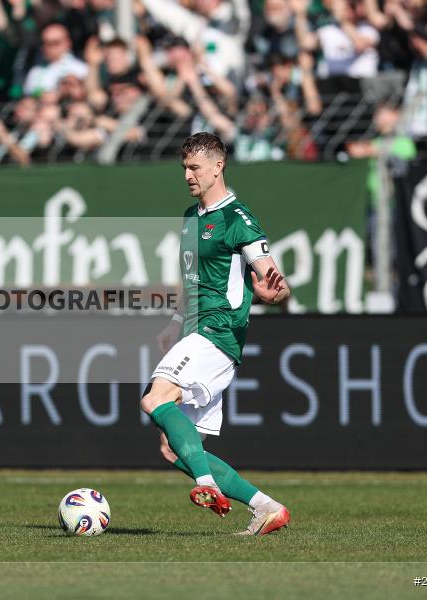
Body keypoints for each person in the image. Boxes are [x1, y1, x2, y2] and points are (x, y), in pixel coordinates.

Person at [140, 132, 292, 536]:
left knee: (155, 398)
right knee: (174, 448)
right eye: (184, 168)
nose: (187, 175)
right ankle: (268, 508)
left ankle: (207, 485)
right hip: (195, 330)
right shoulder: (191, 217)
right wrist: (175, 323)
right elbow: (192, 279)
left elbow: (274, 280)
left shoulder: (237, 219)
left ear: (218, 166)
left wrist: (274, 294)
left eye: (194, 167)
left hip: (218, 330)